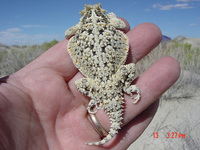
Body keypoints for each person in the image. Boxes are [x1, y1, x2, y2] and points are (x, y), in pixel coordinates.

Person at [0, 22, 180, 150]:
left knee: (82, 83)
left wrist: (78, 28)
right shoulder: (109, 21)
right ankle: (121, 87)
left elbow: (67, 33)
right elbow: (121, 25)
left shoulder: (81, 27)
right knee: (129, 68)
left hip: (100, 74)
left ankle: (105, 94)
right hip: (108, 73)